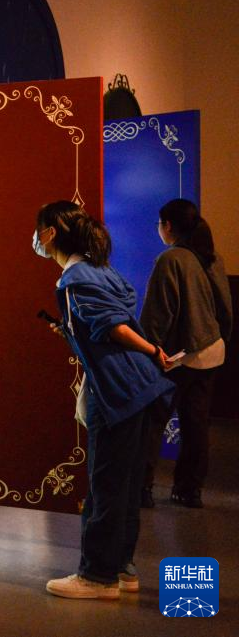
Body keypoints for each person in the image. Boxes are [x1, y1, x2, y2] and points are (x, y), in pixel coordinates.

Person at [34, 201, 174, 600]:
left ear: (51, 233)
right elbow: (114, 314)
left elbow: (113, 326)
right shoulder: (101, 269)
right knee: (126, 486)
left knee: (105, 486)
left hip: (117, 390)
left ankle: (97, 577)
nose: (36, 238)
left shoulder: (74, 278)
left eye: (39, 229)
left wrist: (151, 349)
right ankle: (122, 569)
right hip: (140, 389)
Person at [140, 199, 232, 509]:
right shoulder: (213, 258)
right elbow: (225, 310)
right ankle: (189, 490)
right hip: (213, 351)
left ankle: (142, 488)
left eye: (159, 224)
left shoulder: (171, 259)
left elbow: (157, 315)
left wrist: (148, 350)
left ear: (168, 226)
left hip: (180, 356)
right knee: (196, 423)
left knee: (152, 420)